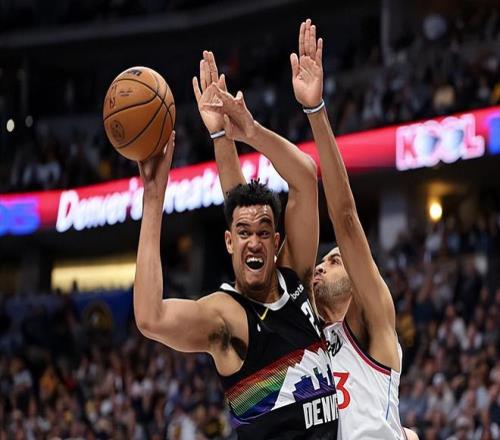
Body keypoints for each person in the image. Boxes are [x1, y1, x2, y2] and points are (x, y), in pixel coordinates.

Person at [134, 50, 338, 438]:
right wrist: (153, 200)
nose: (253, 243)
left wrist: (245, 132)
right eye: (243, 234)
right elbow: (150, 317)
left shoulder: (295, 277)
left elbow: (305, 178)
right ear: (228, 242)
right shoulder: (226, 317)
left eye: (263, 233)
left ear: (277, 242)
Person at [291, 19, 419, 440]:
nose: (320, 267)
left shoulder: (372, 319)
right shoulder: (306, 341)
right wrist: (229, 137)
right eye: (323, 262)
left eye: (334, 261)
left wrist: (315, 111)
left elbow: (345, 220)